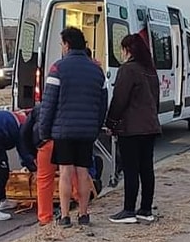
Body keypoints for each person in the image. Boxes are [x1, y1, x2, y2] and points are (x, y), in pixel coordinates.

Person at [39, 27, 108, 227]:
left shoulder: (58, 68)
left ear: (67, 44)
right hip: (87, 132)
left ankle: (66, 216)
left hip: (64, 131)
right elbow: (103, 104)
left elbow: (48, 103)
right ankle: (84, 214)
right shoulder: (96, 70)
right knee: (83, 173)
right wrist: (95, 128)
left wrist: (44, 132)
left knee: (66, 173)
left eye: (62, 44)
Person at [106, 33, 161, 224]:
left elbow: (120, 99)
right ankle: (145, 209)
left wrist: (111, 122)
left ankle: (128, 210)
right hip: (150, 126)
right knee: (147, 168)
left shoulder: (128, 70)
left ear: (127, 50)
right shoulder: (150, 70)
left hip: (131, 128)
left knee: (131, 169)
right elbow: (156, 100)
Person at [21, 104, 84, 226]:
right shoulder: (72, 106)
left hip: (46, 143)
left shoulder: (39, 108)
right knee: (74, 173)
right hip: (67, 140)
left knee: (44, 180)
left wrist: (33, 154)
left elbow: (24, 133)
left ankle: (45, 217)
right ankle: (81, 203)